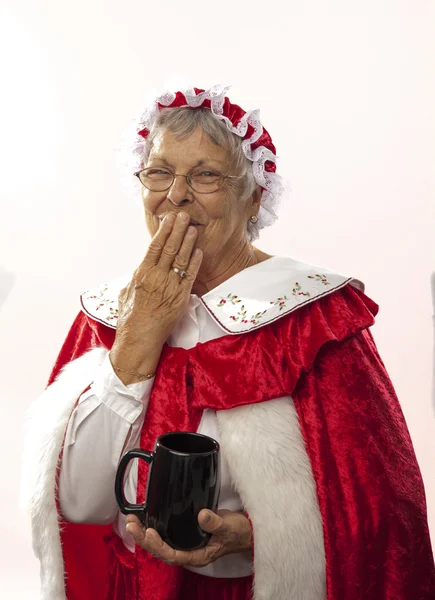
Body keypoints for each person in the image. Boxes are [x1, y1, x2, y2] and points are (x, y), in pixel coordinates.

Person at [22, 84, 435, 600]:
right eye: (160, 172)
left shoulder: (312, 318)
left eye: (206, 175)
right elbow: (78, 505)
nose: (176, 195)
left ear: (255, 196)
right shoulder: (109, 314)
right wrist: (140, 334)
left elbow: (380, 506)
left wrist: (261, 537)